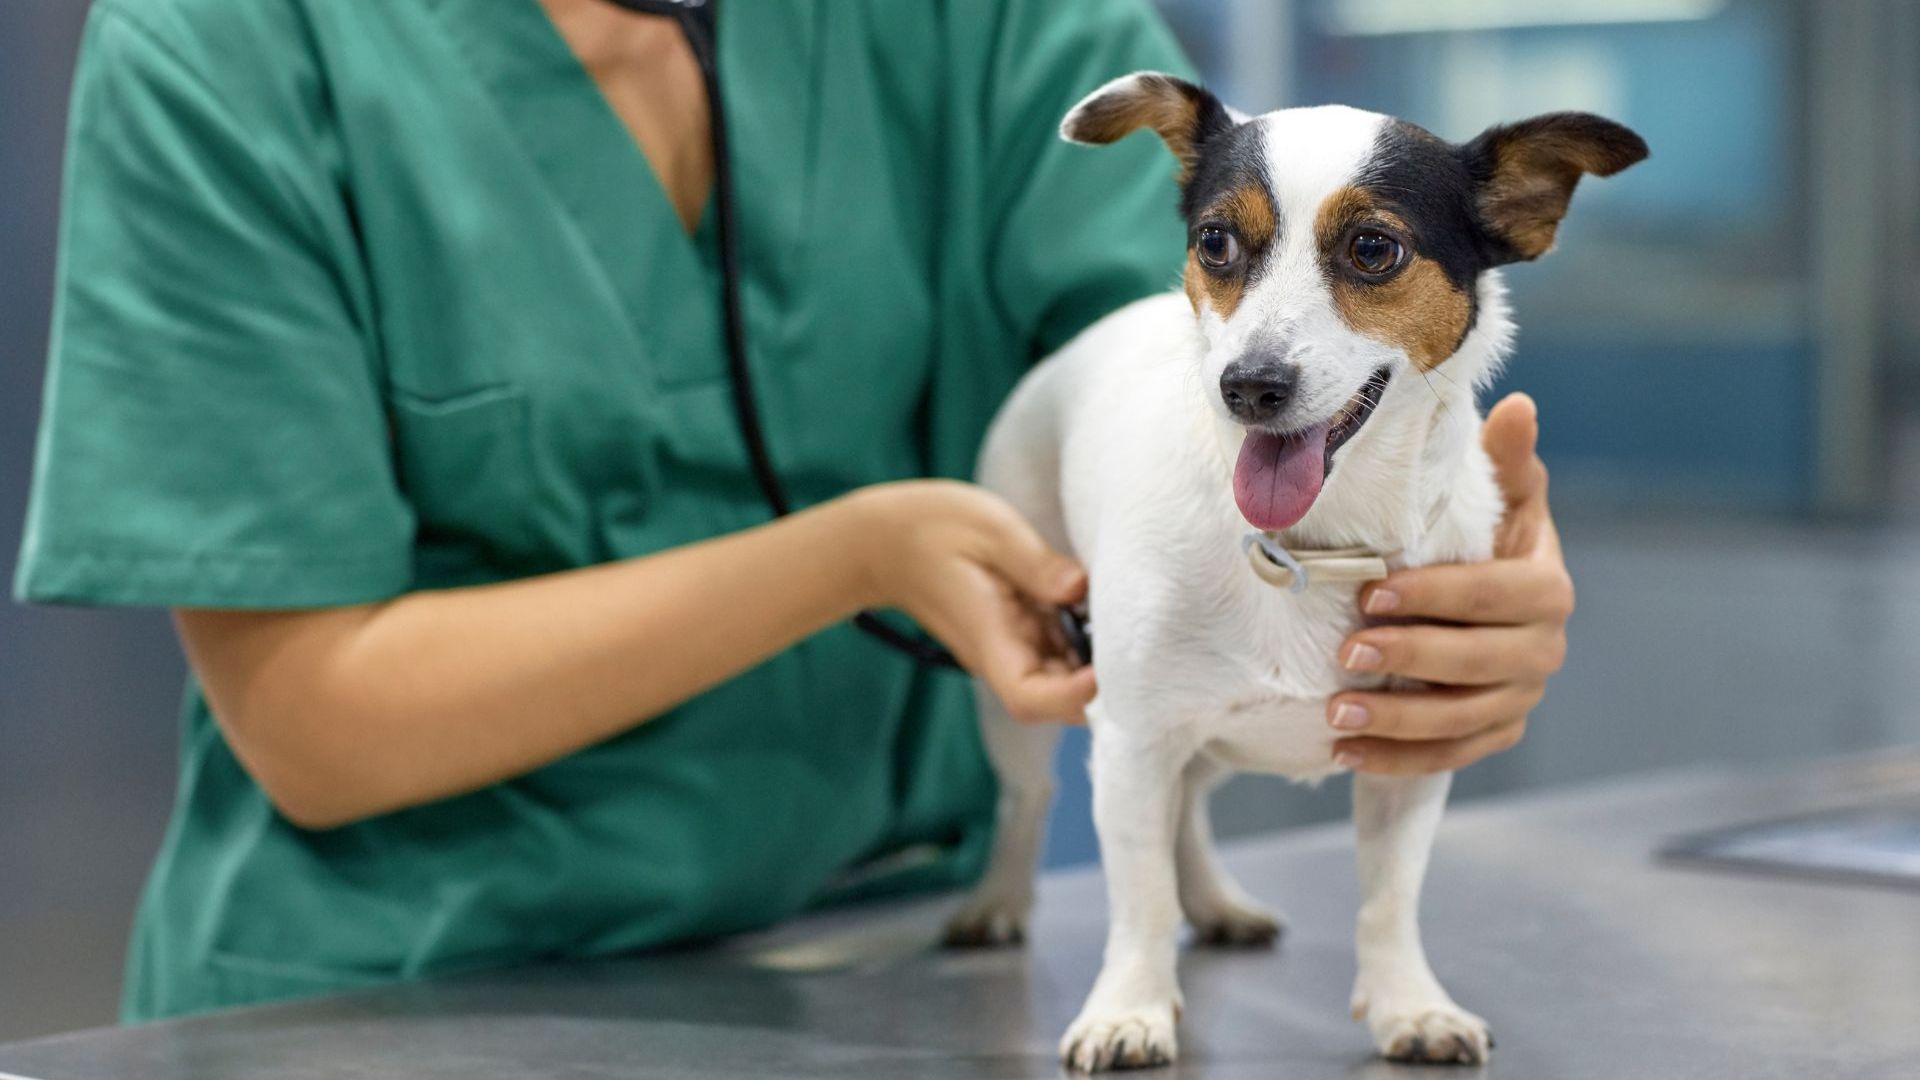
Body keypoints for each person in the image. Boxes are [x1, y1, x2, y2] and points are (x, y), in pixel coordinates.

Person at [14, 0, 1573, 1022]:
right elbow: (314, 720)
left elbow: (1210, 355)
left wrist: (1447, 535)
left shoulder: (990, 25)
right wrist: (852, 556)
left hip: (897, 967)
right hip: (394, 995)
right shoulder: (233, 51)